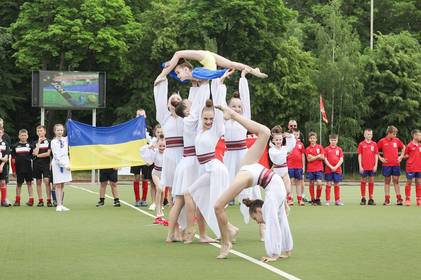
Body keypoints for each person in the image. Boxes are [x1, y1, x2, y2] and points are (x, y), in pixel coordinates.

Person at [214, 106, 292, 261]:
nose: (258, 222)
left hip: (269, 181)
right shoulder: (244, 177)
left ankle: (273, 252)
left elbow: (273, 223)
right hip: (252, 169)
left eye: (256, 219)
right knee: (265, 133)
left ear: (258, 211)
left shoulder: (242, 181)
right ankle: (286, 250)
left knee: (273, 219)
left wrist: (273, 256)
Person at [188, 77, 238, 241]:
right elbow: (196, 104)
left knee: (216, 204)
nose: (209, 121)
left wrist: (219, 83)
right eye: (206, 119)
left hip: (215, 169)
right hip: (207, 169)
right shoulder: (198, 130)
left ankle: (227, 231)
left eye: (211, 119)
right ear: (201, 118)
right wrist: (198, 84)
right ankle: (228, 229)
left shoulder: (216, 128)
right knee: (194, 193)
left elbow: (217, 105)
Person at [167, 80, 212, 243]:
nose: (192, 102)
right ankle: (197, 233)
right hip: (193, 162)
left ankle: (170, 234)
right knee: (195, 198)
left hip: (186, 161)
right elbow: (200, 101)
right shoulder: (191, 118)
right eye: (188, 103)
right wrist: (204, 83)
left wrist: (195, 85)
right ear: (186, 110)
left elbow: (197, 101)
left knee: (179, 201)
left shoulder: (188, 119)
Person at [222, 70, 264, 240]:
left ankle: (263, 228)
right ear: (228, 107)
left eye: (239, 107)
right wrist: (222, 81)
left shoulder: (244, 118)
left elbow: (245, 99)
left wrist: (243, 78)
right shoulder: (224, 119)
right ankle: (225, 230)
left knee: (253, 191)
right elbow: (219, 101)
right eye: (234, 106)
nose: (237, 109)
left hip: (243, 157)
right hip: (229, 158)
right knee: (224, 192)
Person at [155, 50, 267, 85]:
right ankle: (254, 71)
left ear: (185, 69)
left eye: (178, 72)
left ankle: (159, 76)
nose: (178, 75)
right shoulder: (192, 75)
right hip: (208, 59)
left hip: (206, 59)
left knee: (177, 54)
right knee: (232, 64)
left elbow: (177, 55)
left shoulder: (195, 73)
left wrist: (163, 73)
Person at [154, 79, 184, 207]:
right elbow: (159, 101)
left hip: (184, 154)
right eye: (173, 99)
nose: (175, 100)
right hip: (170, 154)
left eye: (178, 99)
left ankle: (187, 215)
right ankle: (174, 213)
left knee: (184, 187)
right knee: (171, 188)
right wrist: (163, 81)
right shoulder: (164, 118)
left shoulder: (186, 117)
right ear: (168, 104)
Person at [141, 134, 167, 224]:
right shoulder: (155, 151)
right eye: (160, 146)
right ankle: (158, 212)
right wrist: (151, 146)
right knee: (159, 189)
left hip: (164, 174)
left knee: (162, 191)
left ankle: (160, 212)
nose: (162, 148)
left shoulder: (167, 152)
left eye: (164, 146)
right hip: (155, 173)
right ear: (157, 145)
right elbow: (144, 151)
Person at [377, 126, 405, 206]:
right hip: (386, 165)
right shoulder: (382, 141)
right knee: (387, 181)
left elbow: (403, 147)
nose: (395, 135)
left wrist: (401, 156)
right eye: (394, 133)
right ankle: (387, 199)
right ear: (389, 133)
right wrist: (380, 158)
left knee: (396, 180)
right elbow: (376, 150)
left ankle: (399, 199)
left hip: (396, 164)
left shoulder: (397, 140)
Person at [131, 108, 152, 207]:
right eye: (138, 115)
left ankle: (144, 199)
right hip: (135, 156)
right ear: (136, 117)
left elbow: (151, 142)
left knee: (145, 178)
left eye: (142, 115)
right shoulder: (132, 129)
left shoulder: (148, 129)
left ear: (145, 116)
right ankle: (137, 199)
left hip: (145, 157)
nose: (140, 117)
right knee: (136, 177)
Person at [269, 126, 295, 205]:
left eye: (280, 140)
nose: (278, 141)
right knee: (276, 189)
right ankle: (277, 201)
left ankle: (286, 198)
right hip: (276, 172)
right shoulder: (272, 150)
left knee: (288, 190)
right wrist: (285, 153)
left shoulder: (284, 148)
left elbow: (292, 145)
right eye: (276, 140)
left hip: (284, 171)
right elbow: (276, 157)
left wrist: (290, 136)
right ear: (273, 140)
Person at [51, 124, 72, 212]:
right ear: (55, 131)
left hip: (66, 163)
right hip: (58, 165)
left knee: (62, 184)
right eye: (58, 130)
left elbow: (74, 134)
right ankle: (58, 205)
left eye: (61, 130)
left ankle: (61, 203)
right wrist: (64, 165)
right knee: (58, 184)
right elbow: (56, 156)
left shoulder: (65, 139)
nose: (60, 132)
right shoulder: (53, 142)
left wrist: (71, 124)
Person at [11, 129, 34, 206]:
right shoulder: (15, 146)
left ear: (27, 136)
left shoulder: (30, 146)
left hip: (28, 168)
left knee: (29, 183)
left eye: (25, 135)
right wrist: (14, 170)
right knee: (19, 184)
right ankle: (17, 201)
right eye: (22, 135)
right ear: (19, 136)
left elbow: (33, 157)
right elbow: (12, 160)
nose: (23, 137)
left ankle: (31, 200)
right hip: (19, 168)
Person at [32, 125, 53, 207]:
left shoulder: (49, 141)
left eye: (41, 131)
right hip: (36, 164)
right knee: (38, 182)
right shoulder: (34, 143)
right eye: (38, 131)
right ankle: (40, 200)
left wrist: (37, 155)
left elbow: (48, 154)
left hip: (46, 164)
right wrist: (39, 143)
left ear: (45, 132)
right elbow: (34, 153)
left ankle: (49, 200)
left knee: (47, 181)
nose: (40, 132)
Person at [357, 129, 378, 206]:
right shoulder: (361, 144)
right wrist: (360, 166)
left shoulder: (374, 144)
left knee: (371, 181)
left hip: (372, 166)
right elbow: (359, 155)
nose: (369, 136)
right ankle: (363, 198)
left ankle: (371, 198)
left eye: (370, 134)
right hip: (364, 167)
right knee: (363, 181)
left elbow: (376, 155)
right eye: (368, 134)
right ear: (364, 135)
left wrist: (375, 165)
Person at [324, 134, 344, 206]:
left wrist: (335, 167)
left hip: (337, 170)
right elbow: (325, 159)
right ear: (329, 140)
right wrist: (331, 167)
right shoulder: (326, 149)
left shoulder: (339, 149)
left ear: (337, 141)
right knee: (328, 184)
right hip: (328, 170)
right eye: (332, 140)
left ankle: (337, 200)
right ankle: (327, 200)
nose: (333, 141)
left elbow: (341, 159)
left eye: (335, 140)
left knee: (337, 184)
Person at [287, 130, 306, 206]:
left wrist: (303, 166)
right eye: (294, 134)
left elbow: (303, 155)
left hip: (299, 167)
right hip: (290, 166)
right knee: (290, 182)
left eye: (297, 134)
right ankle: (289, 199)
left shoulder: (300, 144)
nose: (295, 135)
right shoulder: (288, 144)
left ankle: (300, 199)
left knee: (298, 182)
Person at [305, 132, 324, 206]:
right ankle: (312, 199)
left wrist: (314, 157)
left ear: (316, 139)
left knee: (319, 183)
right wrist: (317, 156)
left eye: (314, 138)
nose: (312, 139)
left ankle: (318, 198)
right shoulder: (307, 149)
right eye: (311, 138)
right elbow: (309, 160)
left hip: (319, 168)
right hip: (311, 169)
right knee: (311, 183)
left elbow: (322, 157)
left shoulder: (320, 147)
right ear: (309, 139)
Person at [403, 129, 421, 206]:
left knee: (419, 182)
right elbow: (404, 155)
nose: (420, 137)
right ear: (414, 136)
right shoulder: (409, 145)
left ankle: (419, 199)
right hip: (410, 168)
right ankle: (407, 199)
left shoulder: (420, 145)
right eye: (419, 135)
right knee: (409, 182)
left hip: (419, 168)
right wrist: (406, 156)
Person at [0, 127, 10, 207]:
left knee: (3, 182)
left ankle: (3, 201)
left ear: (2, 133)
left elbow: (6, 157)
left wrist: (1, 165)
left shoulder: (5, 143)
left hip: (2, 166)